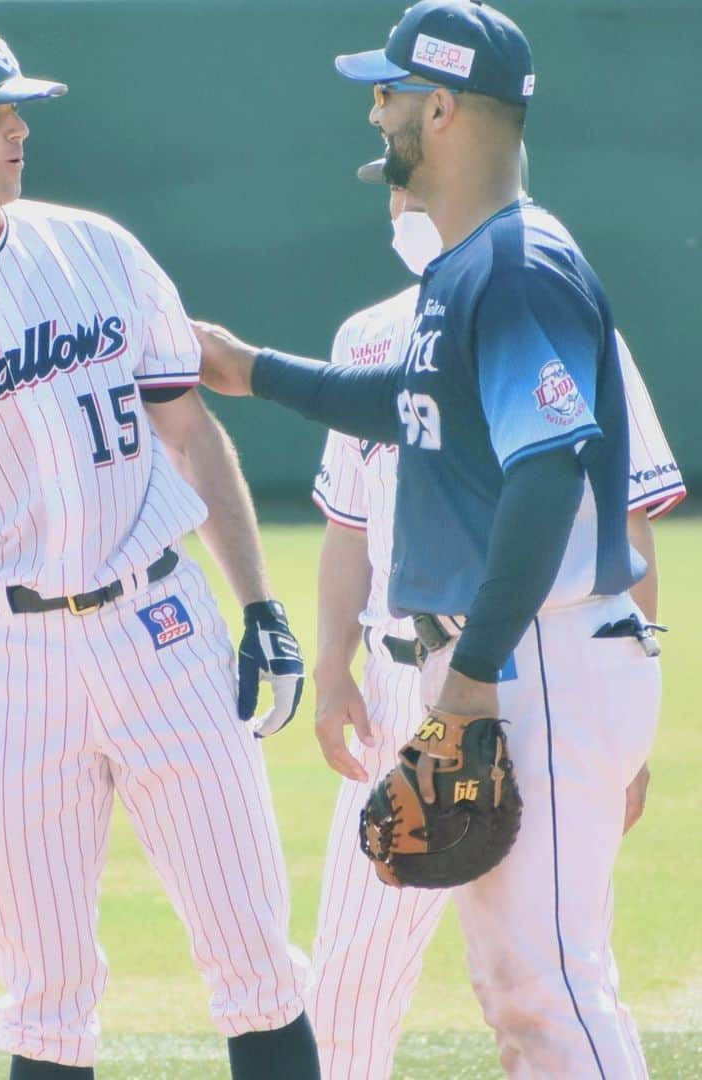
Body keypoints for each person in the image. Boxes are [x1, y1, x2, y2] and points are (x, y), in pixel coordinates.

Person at [0, 23, 321, 1080]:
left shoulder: (95, 248)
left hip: (160, 622)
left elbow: (188, 425)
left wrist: (259, 603)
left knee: (257, 959)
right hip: (5, 662)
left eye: (13, 107)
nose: (18, 124)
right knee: (44, 998)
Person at [193, 1, 671, 1074]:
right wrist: (254, 370)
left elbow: (546, 474)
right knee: (525, 989)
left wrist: (472, 673)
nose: (377, 109)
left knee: (546, 991)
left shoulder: (514, 266)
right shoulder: (477, 264)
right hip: (524, 654)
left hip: (536, 653)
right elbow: (412, 402)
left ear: (444, 106)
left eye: (392, 88)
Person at [306, 155, 685, 1079]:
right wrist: (329, 671)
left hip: (539, 665)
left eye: (408, 185)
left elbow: (625, 524)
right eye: (391, 190)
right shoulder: (366, 337)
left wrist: (627, 742)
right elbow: (347, 529)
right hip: (405, 677)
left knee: (549, 977)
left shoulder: (550, 315)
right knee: (349, 980)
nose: (399, 202)